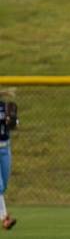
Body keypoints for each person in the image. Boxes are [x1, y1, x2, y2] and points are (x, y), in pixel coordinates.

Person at [0, 92, 18, 230]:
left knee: (4, 185)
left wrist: (11, 121)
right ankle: (5, 218)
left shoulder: (5, 107)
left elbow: (15, 125)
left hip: (5, 149)